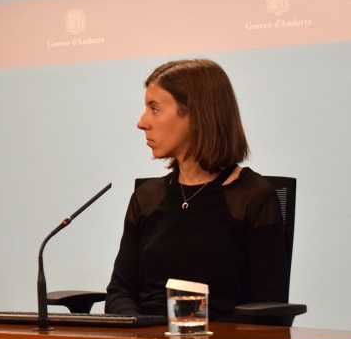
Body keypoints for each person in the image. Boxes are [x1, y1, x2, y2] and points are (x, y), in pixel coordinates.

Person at [104, 59, 289, 320]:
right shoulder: (147, 197)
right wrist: (139, 333)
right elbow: (120, 292)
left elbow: (270, 309)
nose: (142, 122)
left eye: (154, 109)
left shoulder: (253, 196)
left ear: (197, 114)